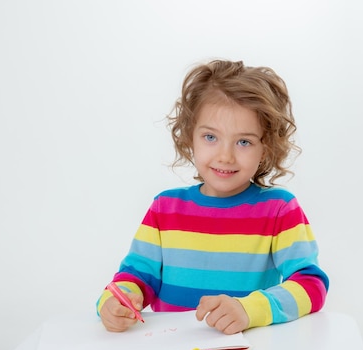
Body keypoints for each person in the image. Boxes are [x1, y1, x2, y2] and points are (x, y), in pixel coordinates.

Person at [97, 59, 329, 335]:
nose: (225, 156)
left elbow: (311, 285)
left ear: (265, 150)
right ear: (189, 138)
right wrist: (114, 302)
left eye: (244, 142)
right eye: (210, 137)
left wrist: (249, 310)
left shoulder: (279, 209)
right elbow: (136, 277)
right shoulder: (165, 209)